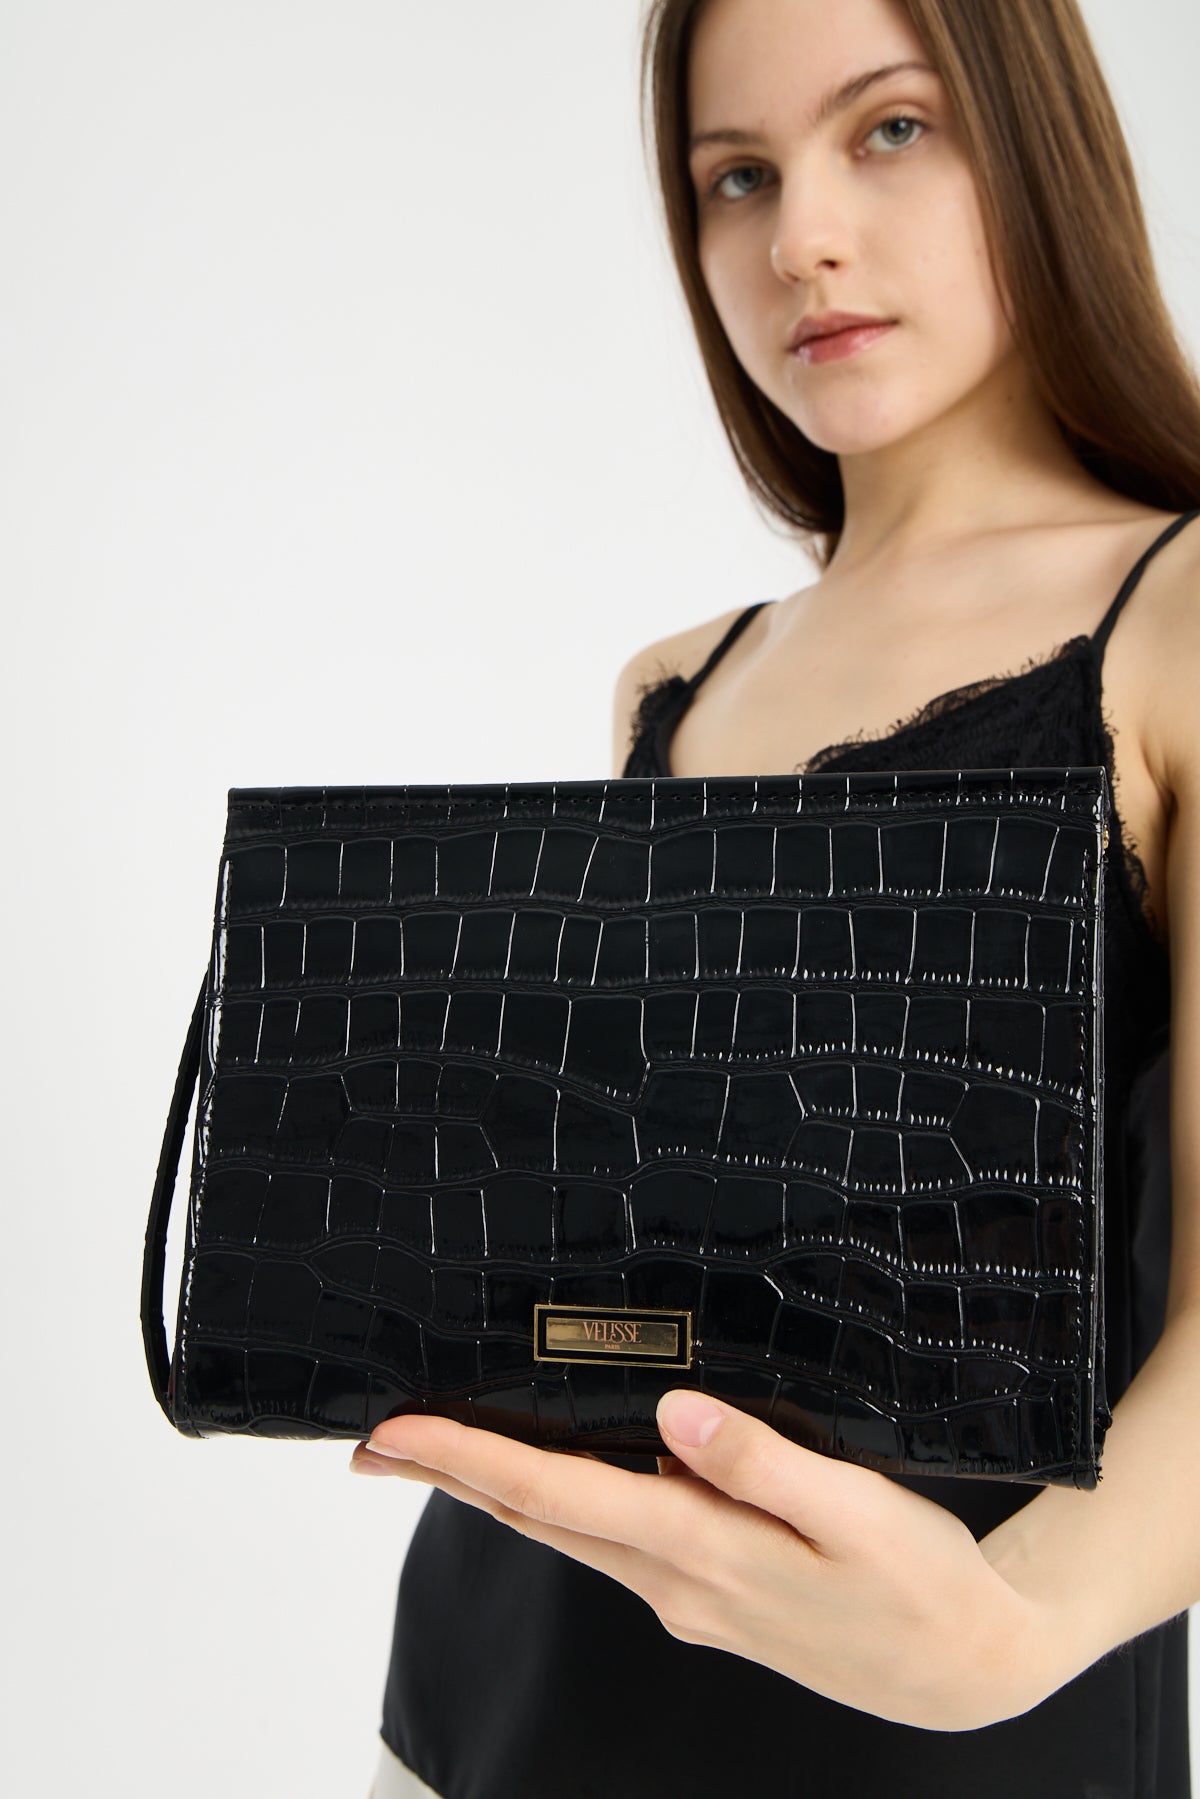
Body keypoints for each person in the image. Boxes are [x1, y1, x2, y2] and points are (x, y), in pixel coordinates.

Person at [357, 1, 1200, 1793]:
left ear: (1035, 141)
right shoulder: (676, 681)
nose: (800, 236)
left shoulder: (1179, 619)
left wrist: (1015, 1631)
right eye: (736, 176)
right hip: (501, 1694)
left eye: (889, 128)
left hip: (952, 1733)